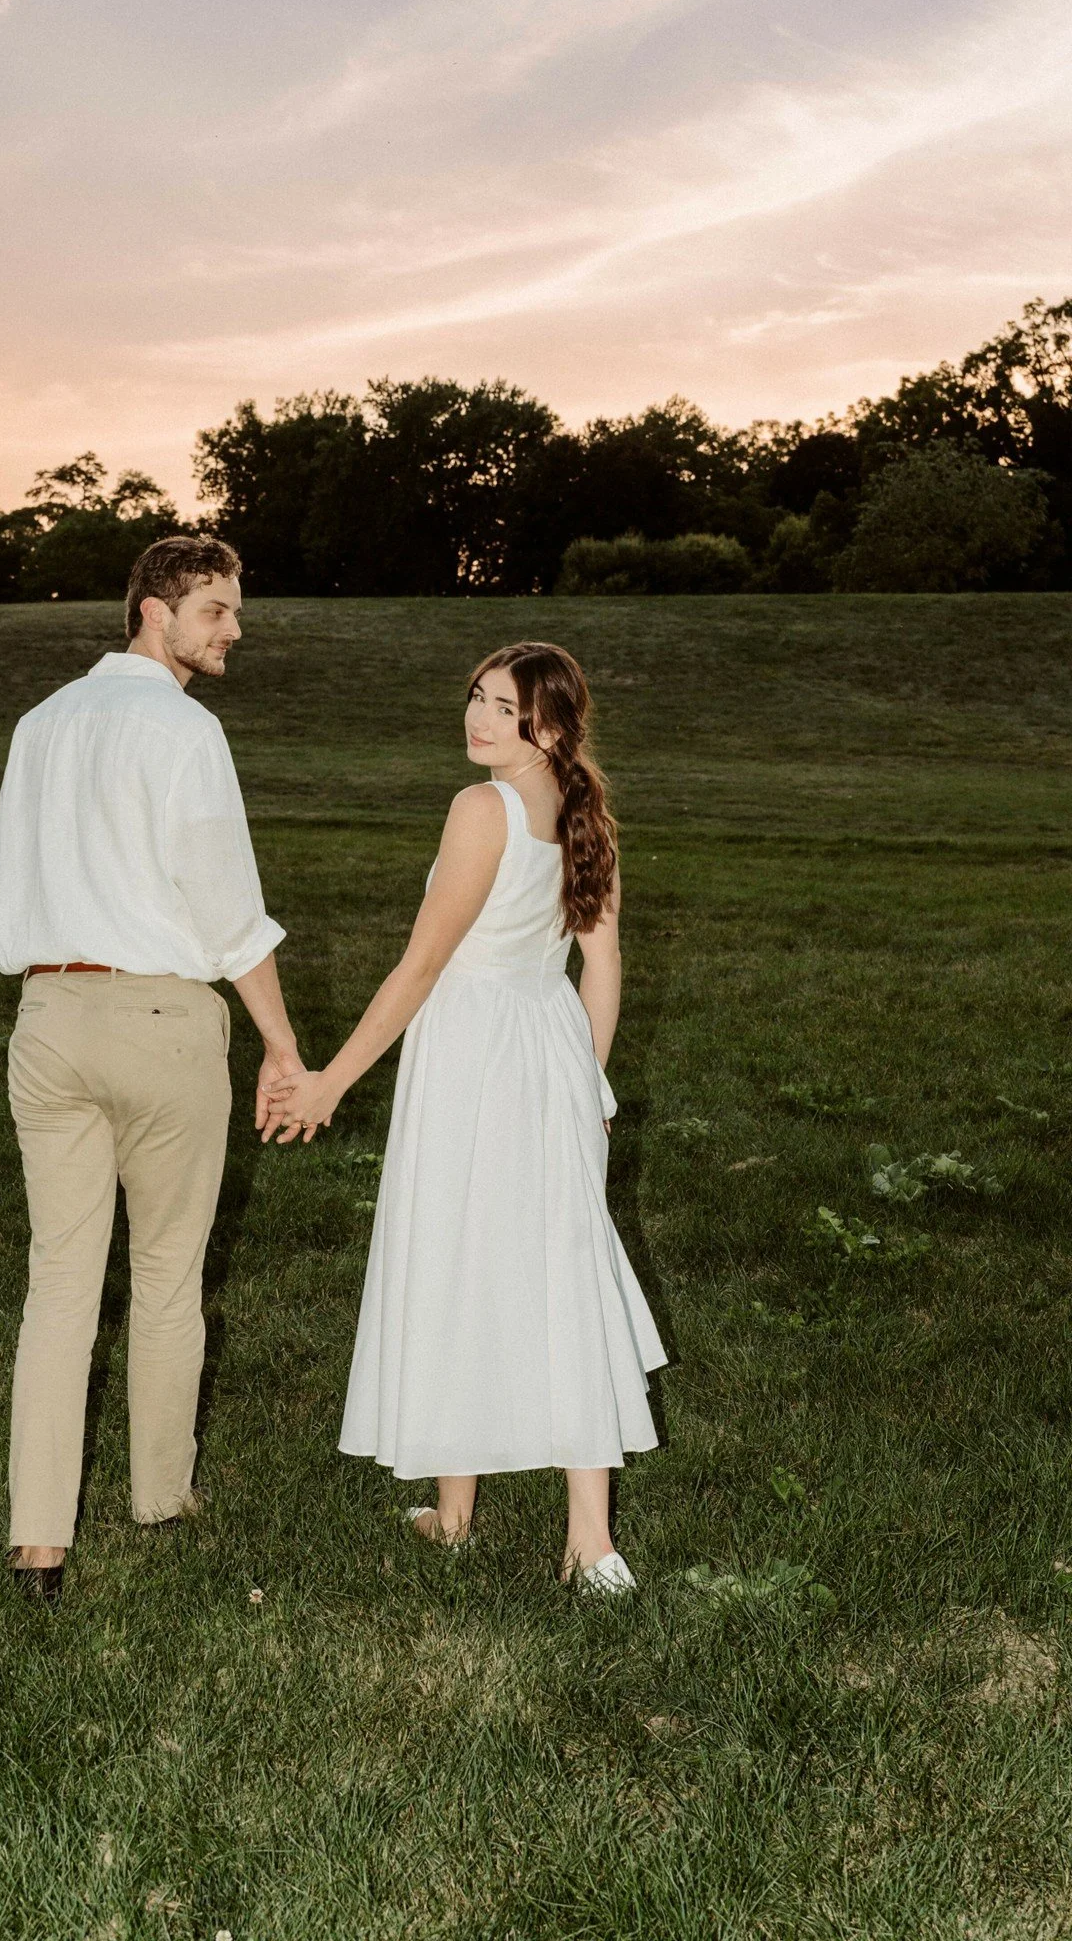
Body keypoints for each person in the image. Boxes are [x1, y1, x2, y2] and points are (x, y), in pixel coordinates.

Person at [265, 642, 666, 1593]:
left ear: (553, 729)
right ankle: (528, 1527)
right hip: (547, 1054)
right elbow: (599, 973)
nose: (480, 720)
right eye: (476, 698)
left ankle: (562, 1536)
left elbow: (421, 967)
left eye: (506, 709)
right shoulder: (584, 813)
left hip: (474, 1057)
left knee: (467, 1253)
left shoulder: (480, 809)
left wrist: (329, 1082)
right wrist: (590, 1085)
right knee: (552, 1266)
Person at [0, 535, 301, 1605]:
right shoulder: (184, 730)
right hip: (161, 1017)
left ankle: (39, 1541)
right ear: (154, 613)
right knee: (165, 1275)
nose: (235, 631)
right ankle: (159, 1498)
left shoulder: (39, 724)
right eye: (216, 610)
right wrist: (284, 1046)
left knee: (59, 1281)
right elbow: (225, 904)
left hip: (46, 1019)